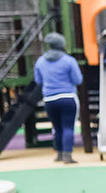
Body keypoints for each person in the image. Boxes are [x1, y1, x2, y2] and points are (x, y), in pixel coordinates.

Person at [32, 31, 83, 164]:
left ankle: (59, 153)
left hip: (49, 99)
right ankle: (67, 155)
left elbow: (38, 80)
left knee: (57, 127)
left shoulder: (41, 61)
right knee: (68, 127)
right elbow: (78, 79)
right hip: (67, 96)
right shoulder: (68, 60)